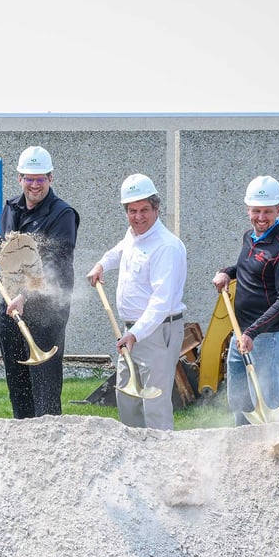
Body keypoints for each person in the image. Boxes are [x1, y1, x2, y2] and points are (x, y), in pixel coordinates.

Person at [0, 145, 80, 419]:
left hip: (45, 312)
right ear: (19, 178)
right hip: (11, 305)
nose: (34, 185)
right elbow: (4, 240)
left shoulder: (63, 214)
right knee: (17, 381)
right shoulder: (12, 206)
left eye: (40, 178)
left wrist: (25, 294)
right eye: (29, 178)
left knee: (44, 384)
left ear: (50, 178)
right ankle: (23, 439)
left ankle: (49, 441)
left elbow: (55, 263)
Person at [85, 174, 187, 430]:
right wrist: (101, 265)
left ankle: (162, 459)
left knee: (155, 403)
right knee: (126, 398)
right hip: (131, 332)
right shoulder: (134, 235)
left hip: (158, 331)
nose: (138, 217)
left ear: (156, 208)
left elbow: (160, 303)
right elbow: (119, 250)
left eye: (144, 210)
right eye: (132, 211)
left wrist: (136, 334)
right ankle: (136, 458)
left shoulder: (166, 247)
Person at [212, 175, 279, 426]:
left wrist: (252, 332)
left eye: (267, 212)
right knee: (239, 402)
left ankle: (274, 455)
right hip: (242, 335)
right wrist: (227, 273)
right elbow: (245, 268)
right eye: (256, 211)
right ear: (248, 209)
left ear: (278, 210)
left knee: (269, 407)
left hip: (268, 340)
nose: (261, 218)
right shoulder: (249, 238)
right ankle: (243, 451)